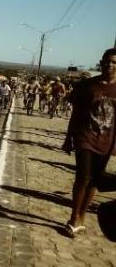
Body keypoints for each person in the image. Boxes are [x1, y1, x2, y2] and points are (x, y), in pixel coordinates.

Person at [62, 48, 116, 237]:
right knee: (83, 176)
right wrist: (68, 138)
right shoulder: (88, 86)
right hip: (85, 137)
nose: (109, 65)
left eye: (114, 62)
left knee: (95, 180)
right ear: (101, 62)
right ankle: (74, 217)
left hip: (106, 141)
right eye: (107, 61)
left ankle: (82, 217)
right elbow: (76, 114)